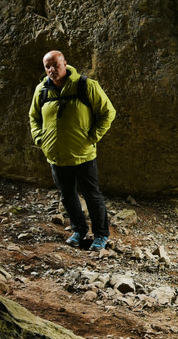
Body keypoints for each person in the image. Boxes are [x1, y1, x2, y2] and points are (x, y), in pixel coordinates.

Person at [29, 50, 117, 251]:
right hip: (56, 155)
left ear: (65, 63)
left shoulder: (86, 86)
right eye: (47, 66)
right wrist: (40, 138)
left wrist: (93, 136)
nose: (52, 69)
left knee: (92, 195)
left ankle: (101, 235)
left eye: (55, 65)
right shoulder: (41, 90)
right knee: (67, 195)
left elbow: (108, 112)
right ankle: (79, 230)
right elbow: (34, 117)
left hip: (82, 154)